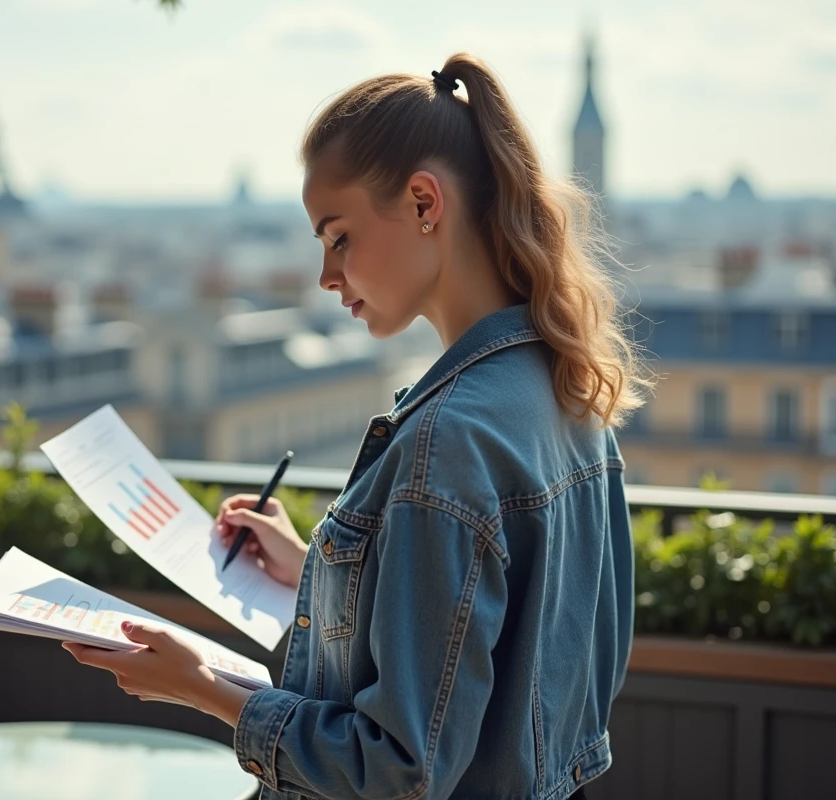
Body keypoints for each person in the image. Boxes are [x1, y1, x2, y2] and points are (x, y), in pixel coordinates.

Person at [63, 52, 646, 800]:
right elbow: (520, 659)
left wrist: (203, 687)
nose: (326, 276)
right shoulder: (566, 388)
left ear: (425, 203)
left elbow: (399, 770)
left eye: (338, 237)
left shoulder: (448, 440)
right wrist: (324, 567)